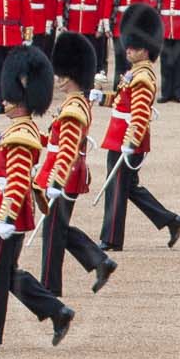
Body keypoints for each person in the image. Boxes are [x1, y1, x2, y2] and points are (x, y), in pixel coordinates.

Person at [0, 46, 75, 349]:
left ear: (21, 100)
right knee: (5, 272)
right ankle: (56, 311)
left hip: (6, 212)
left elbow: (16, 181)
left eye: (9, 97)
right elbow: (0, 166)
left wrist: (5, 217)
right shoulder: (16, 130)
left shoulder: (21, 134)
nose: (3, 101)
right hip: (2, 209)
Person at [100, 3, 180, 253]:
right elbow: (119, 101)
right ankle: (170, 220)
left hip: (127, 140)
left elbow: (139, 116)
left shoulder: (143, 77)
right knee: (128, 188)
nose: (129, 50)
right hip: (119, 137)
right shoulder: (132, 73)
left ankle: (112, 238)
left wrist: (130, 144)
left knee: (116, 188)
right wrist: (100, 98)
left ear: (145, 51)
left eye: (134, 47)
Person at [36, 30, 114, 300]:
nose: (57, 79)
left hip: (63, 173)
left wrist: (56, 180)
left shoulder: (73, 108)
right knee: (57, 228)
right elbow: (57, 141)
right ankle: (98, 261)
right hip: (64, 171)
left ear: (69, 75)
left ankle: (50, 285)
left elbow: (67, 148)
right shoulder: (74, 103)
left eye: (60, 74)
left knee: (54, 230)